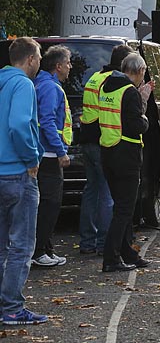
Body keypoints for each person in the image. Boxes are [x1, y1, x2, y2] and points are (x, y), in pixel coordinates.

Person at [0, 38, 46, 324]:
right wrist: (31, 159)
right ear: (30, 59)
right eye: (39, 58)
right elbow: (18, 124)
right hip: (18, 172)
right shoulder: (23, 85)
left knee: (1, 244)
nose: (40, 63)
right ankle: (12, 307)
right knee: (22, 245)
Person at [98, 52, 153, 273]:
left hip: (108, 151)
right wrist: (145, 115)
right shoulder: (130, 92)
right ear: (139, 71)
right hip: (127, 154)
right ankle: (110, 258)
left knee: (120, 206)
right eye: (143, 73)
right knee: (124, 209)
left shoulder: (106, 86)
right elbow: (136, 125)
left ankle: (127, 252)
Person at [78, 45, 132, 256]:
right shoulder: (114, 81)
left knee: (91, 191)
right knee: (107, 193)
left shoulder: (95, 76)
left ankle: (87, 242)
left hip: (87, 139)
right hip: (103, 141)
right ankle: (103, 243)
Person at [31, 45, 72, 268]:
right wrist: (60, 151)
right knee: (50, 204)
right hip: (48, 154)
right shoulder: (50, 88)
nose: (70, 67)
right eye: (67, 63)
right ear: (58, 66)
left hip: (44, 152)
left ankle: (45, 249)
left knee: (47, 203)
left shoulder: (43, 83)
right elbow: (46, 120)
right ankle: (39, 252)